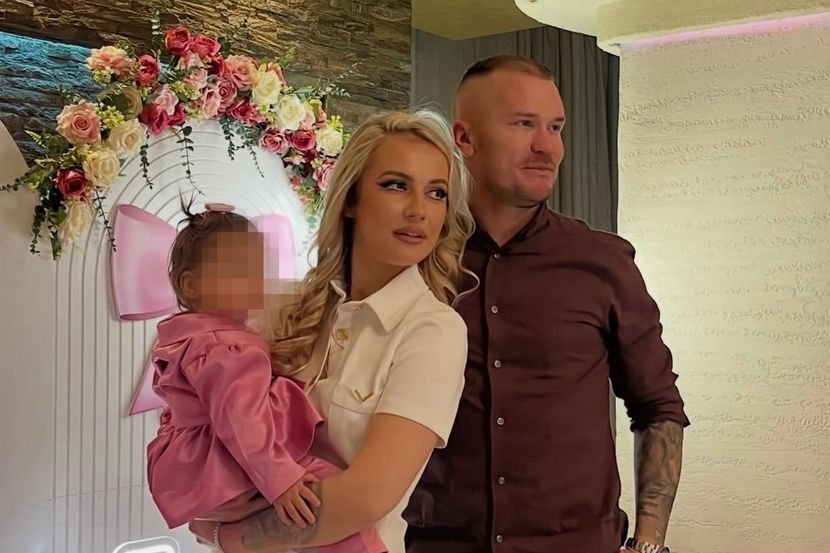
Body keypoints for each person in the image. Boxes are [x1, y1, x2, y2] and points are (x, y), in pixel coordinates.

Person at [403, 55, 690, 553]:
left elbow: (658, 406)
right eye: (524, 124)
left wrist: (647, 543)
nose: (547, 147)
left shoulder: (603, 262)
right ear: (464, 138)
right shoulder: (415, 260)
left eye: (555, 127)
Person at [188, 109, 476, 553]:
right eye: (396, 185)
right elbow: (205, 425)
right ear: (352, 198)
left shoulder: (433, 331)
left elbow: (367, 497)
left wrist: (226, 536)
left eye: (436, 193)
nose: (419, 211)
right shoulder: (288, 307)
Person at [145, 200, 386, 552]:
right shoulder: (222, 347)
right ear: (192, 285)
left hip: (200, 463)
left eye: (258, 269)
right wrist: (281, 479)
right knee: (323, 488)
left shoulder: (189, 339)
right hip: (228, 459)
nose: (255, 281)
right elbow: (240, 420)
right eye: (238, 271)